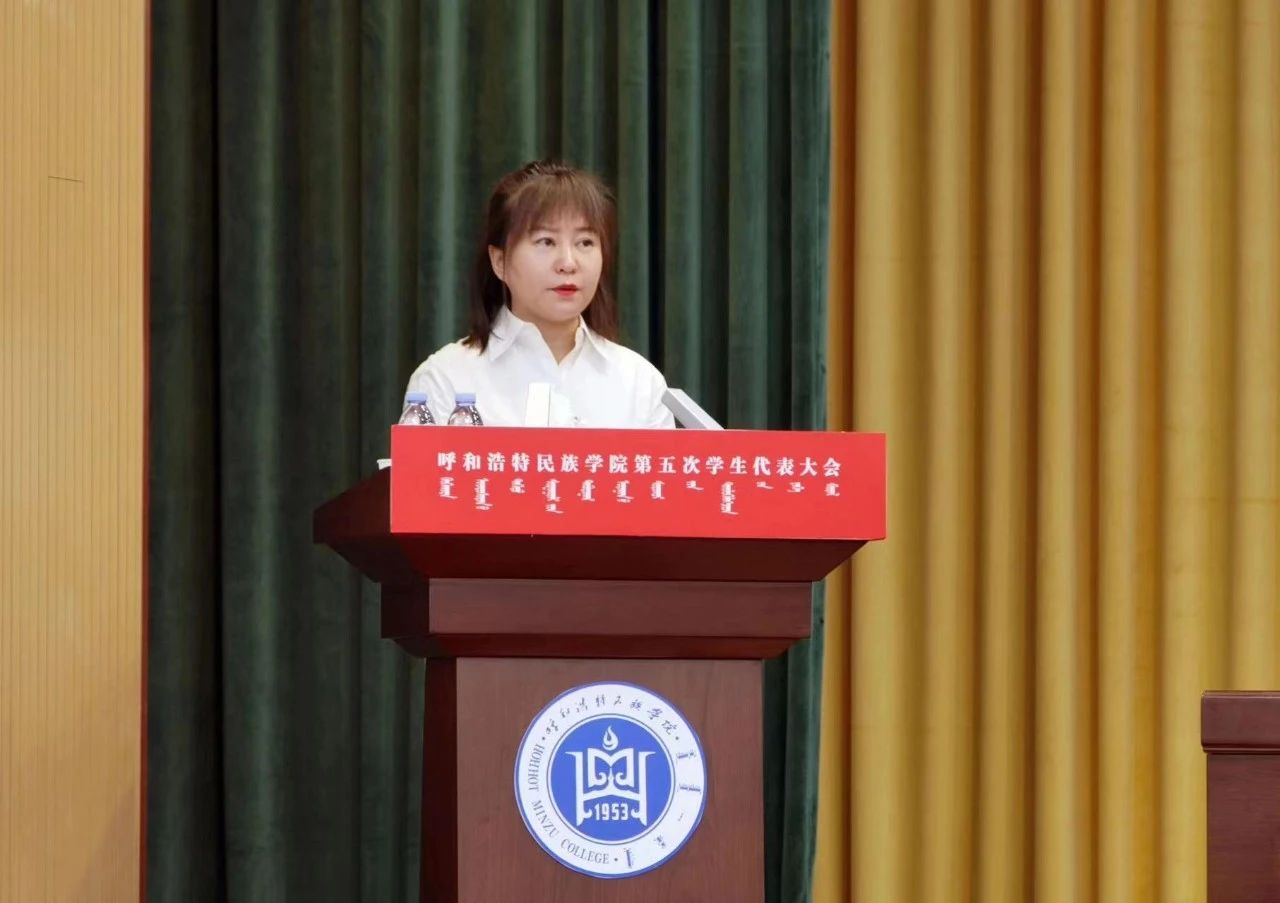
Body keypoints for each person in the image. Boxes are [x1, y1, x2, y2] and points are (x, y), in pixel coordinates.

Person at [405, 160, 676, 429]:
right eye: (546, 241)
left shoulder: (640, 384)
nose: (568, 263)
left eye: (585, 242)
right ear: (499, 261)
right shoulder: (445, 380)